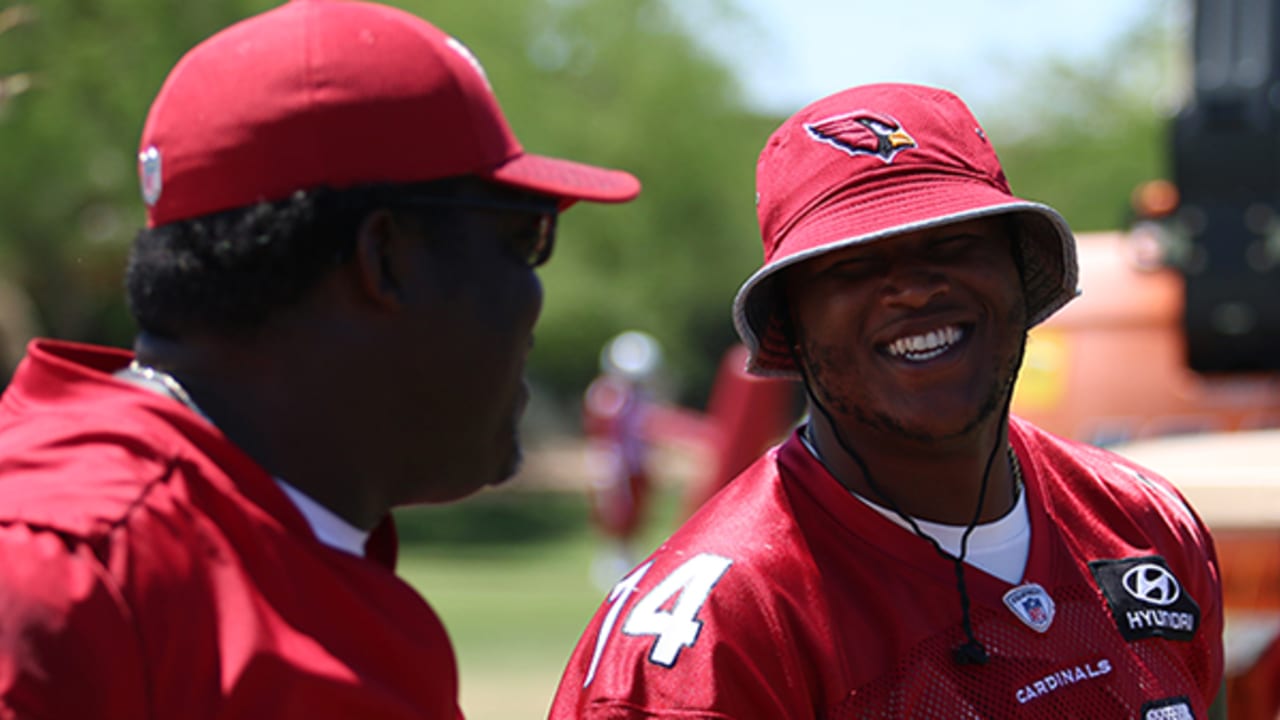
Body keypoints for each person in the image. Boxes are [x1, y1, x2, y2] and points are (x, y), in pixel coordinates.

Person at [0, 1, 638, 717]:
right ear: (385, 257)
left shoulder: (263, 528)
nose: (534, 301)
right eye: (523, 240)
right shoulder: (65, 570)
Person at [550, 83, 1224, 718]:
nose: (912, 290)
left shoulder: (1144, 520)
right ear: (791, 319)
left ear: (1018, 270)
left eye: (952, 243)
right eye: (855, 264)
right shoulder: (712, 641)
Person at [582, 331, 665, 588]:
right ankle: (614, 569)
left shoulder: (641, 397)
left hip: (636, 464)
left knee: (636, 517)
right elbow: (604, 437)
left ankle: (628, 566)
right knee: (615, 516)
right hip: (615, 465)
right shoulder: (606, 394)